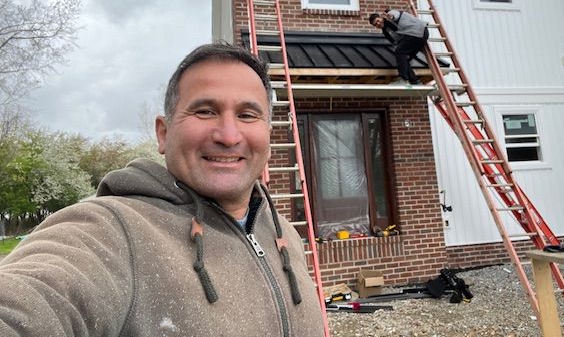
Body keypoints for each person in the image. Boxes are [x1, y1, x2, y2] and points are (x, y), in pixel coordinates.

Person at [0, 43, 324, 336]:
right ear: (163, 133)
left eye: (247, 114)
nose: (228, 134)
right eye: (205, 111)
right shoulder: (112, 231)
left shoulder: (285, 235)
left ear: (268, 134)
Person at [369, 8, 429, 85]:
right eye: (375, 24)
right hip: (420, 36)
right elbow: (396, 41)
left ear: (381, 17)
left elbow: (395, 15)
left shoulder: (389, 14)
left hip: (416, 31)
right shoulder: (386, 30)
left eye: (378, 20)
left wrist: (391, 16)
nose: (378, 24)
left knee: (400, 52)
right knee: (404, 58)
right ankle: (415, 81)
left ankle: (404, 79)